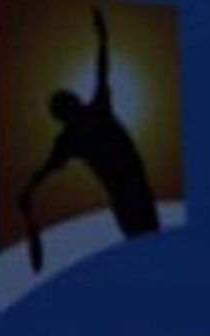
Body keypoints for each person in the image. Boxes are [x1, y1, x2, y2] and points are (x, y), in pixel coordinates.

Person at [19, 7, 159, 272]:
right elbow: (102, 70)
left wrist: (28, 191)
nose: (74, 101)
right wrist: (103, 37)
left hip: (132, 195)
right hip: (132, 195)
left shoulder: (76, 131)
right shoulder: (86, 121)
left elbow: (44, 171)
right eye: (68, 102)